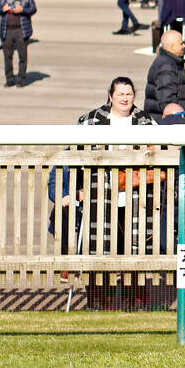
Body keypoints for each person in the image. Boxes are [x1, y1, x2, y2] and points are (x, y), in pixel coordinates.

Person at [75, 77, 157, 309]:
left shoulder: (146, 122)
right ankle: (99, 302)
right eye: (120, 94)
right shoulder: (90, 121)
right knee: (100, 248)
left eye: (129, 94)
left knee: (136, 247)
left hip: (137, 198)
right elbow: (77, 158)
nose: (124, 98)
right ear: (111, 95)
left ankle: (136, 302)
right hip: (100, 196)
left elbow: (157, 156)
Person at [0, 0, 36, 88]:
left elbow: (33, 9)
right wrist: (3, 9)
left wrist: (23, 10)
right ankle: (10, 79)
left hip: (21, 31)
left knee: (22, 56)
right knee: (7, 57)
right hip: (7, 31)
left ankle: (21, 79)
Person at [144, 30, 185, 120]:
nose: (184, 46)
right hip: (170, 124)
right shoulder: (167, 66)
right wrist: (177, 120)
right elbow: (167, 101)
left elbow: (167, 88)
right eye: (181, 43)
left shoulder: (170, 62)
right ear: (172, 46)